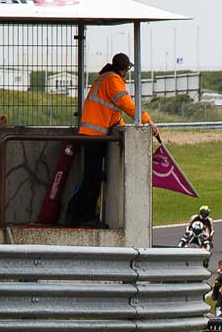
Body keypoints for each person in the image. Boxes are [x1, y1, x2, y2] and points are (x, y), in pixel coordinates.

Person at [65, 52, 157, 226]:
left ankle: (79, 213)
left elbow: (114, 113)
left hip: (92, 134)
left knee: (92, 177)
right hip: (95, 136)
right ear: (124, 69)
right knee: (92, 179)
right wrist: (147, 120)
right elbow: (126, 104)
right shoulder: (113, 80)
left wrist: (121, 124)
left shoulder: (104, 78)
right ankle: (81, 216)